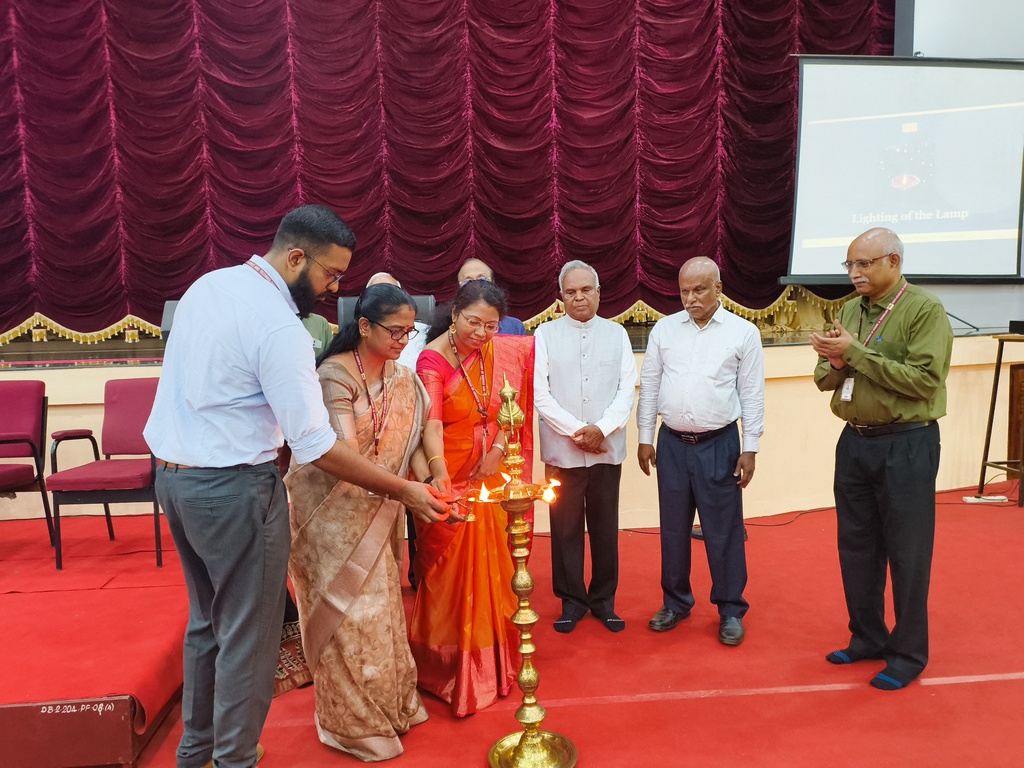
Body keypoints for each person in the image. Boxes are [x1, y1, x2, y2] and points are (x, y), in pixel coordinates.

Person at [144, 206, 449, 768]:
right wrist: (404, 490)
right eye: (330, 274)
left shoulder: (209, 286)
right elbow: (317, 447)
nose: (334, 288)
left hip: (174, 480)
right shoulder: (279, 325)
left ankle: (198, 753)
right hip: (234, 490)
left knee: (209, 624)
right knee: (252, 637)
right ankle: (234, 760)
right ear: (295, 257)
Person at [286, 284, 430, 760]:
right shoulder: (334, 375)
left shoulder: (401, 376)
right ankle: (353, 725)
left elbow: (415, 435)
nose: (403, 341)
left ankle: (393, 706)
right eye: (395, 331)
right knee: (347, 618)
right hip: (331, 517)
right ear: (364, 326)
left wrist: (430, 479)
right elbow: (342, 454)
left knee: (383, 612)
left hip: (379, 508)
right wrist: (404, 489)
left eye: (410, 332)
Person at [809, 227, 952, 691]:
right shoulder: (850, 310)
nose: (854, 273)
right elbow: (823, 378)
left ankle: (908, 654)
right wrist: (835, 362)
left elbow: (924, 381)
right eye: (849, 265)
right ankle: (867, 637)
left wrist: (855, 353)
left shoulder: (923, 309)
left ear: (893, 261)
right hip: (855, 442)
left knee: (907, 553)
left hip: (906, 443)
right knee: (856, 546)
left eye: (864, 264)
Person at [408, 279, 534, 717]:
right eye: (473, 322)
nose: (481, 334)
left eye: (491, 326)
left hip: (488, 473)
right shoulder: (432, 359)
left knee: (493, 569)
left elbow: (507, 407)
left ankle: (492, 659)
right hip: (451, 476)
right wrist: (441, 474)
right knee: (449, 575)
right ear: (455, 314)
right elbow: (431, 425)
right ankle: (449, 667)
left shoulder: (498, 353)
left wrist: (497, 450)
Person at [636, 257, 764, 646]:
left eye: (699, 290)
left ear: (718, 289)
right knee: (673, 529)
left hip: (720, 445)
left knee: (723, 530)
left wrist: (751, 447)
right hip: (672, 444)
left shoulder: (743, 333)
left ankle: (730, 609)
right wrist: (645, 436)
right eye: (684, 292)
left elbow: (752, 393)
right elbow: (650, 384)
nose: (690, 299)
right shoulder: (664, 329)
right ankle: (675, 603)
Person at [533, 260, 636, 633]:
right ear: (561, 297)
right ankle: (571, 601)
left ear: (598, 292)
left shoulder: (617, 333)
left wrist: (602, 429)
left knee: (606, 528)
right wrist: (580, 431)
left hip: (607, 449)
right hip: (563, 452)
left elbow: (627, 389)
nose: (579, 297)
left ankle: (604, 601)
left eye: (586, 290)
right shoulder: (545, 334)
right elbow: (540, 394)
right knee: (565, 528)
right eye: (571, 291)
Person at [456, 258, 527, 335]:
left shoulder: (514, 327)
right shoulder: (449, 324)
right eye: (468, 281)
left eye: (481, 279)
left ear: (493, 282)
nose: (476, 285)